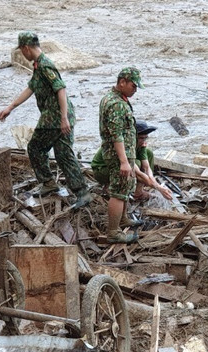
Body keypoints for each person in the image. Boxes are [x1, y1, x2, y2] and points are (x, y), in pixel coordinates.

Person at [0, 32, 92, 208]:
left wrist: (63, 118)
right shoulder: (39, 65)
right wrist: (10, 107)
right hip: (61, 116)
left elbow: (61, 89)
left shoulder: (45, 66)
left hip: (55, 117)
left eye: (22, 51)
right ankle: (82, 192)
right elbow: (31, 88)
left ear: (26, 48)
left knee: (35, 148)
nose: (22, 54)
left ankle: (49, 182)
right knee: (64, 154)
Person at [91, 67, 144, 244]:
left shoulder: (115, 99)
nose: (135, 90)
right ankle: (113, 232)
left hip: (123, 153)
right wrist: (123, 161)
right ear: (122, 82)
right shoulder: (116, 104)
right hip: (118, 155)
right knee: (119, 192)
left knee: (126, 186)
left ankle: (123, 219)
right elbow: (116, 134)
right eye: (133, 86)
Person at [132, 120, 173, 202]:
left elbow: (147, 168)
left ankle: (139, 191)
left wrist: (155, 184)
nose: (143, 141)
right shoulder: (127, 146)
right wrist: (158, 188)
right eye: (140, 138)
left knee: (149, 153)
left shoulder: (141, 145)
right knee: (137, 163)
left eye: (145, 138)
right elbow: (138, 173)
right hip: (104, 169)